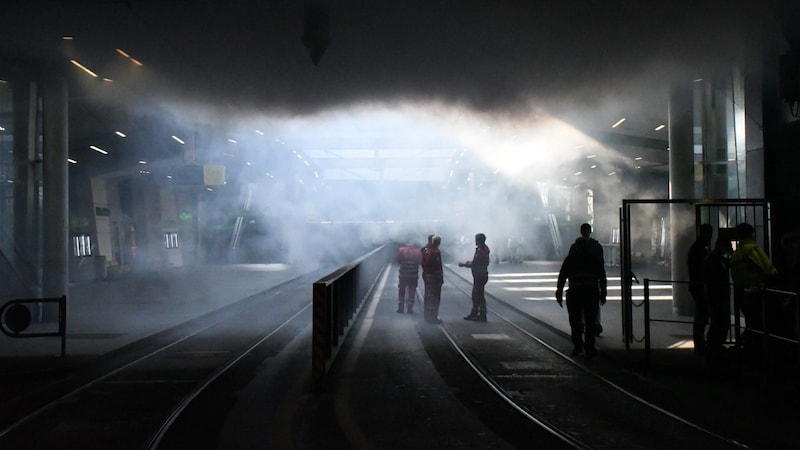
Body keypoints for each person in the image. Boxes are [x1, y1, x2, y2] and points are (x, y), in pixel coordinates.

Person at [555, 223, 607, 358]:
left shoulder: (574, 248)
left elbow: (564, 270)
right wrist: (603, 291)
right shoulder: (596, 248)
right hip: (591, 290)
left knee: (575, 321)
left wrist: (559, 290)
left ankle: (578, 346)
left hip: (575, 290)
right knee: (590, 321)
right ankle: (589, 347)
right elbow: (601, 271)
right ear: (590, 231)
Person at [729, 222, 778, 357]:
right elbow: (769, 269)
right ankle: (757, 350)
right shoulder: (753, 250)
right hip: (757, 292)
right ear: (751, 234)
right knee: (759, 323)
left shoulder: (737, 252)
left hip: (742, 292)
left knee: (751, 322)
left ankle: (748, 347)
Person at [703, 236, 733, 363]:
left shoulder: (717, 258)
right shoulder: (713, 259)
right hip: (716, 295)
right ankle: (714, 347)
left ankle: (714, 347)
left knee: (719, 322)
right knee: (718, 322)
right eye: (727, 247)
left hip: (718, 295)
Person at [687, 223, 713, 355]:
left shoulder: (696, 247)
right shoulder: (701, 248)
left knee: (701, 314)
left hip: (696, 284)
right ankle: (700, 343)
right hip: (700, 285)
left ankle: (700, 342)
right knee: (702, 315)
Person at [459, 233, 490, 322]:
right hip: (480, 274)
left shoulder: (481, 251)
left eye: (476, 239)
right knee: (477, 295)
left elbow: (476, 263)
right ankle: (477, 313)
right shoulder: (483, 249)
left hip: (480, 275)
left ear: (479, 240)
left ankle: (480, 314)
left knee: (477, 295)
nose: (475, 241)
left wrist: (464, 264)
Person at [422, 235, 444, 324]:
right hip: (435, 278)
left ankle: (427, 315)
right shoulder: (435, 252)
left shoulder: (426, 250)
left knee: (428, 296)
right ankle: (433, 316)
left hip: (427, 276)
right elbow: (437, 266)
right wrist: (440, 278)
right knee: (435, 297)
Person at [396, 241, 422, 314]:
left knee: (401, 290)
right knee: (412, 291)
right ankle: (410, 308)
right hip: (413, 275)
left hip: (403, 274)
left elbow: (398, 260)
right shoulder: (417, 252)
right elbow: (420, 262)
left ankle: (400, 308)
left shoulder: (401, 250)